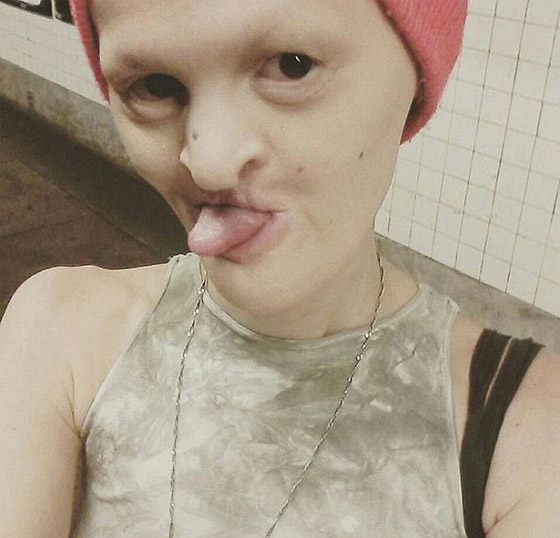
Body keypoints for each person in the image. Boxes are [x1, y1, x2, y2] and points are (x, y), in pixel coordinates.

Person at [0, 0, 559, 536]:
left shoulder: (526, 432)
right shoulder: (60, 333)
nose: (209, 164)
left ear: (416, 77)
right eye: (154, 87)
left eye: (292, 66)